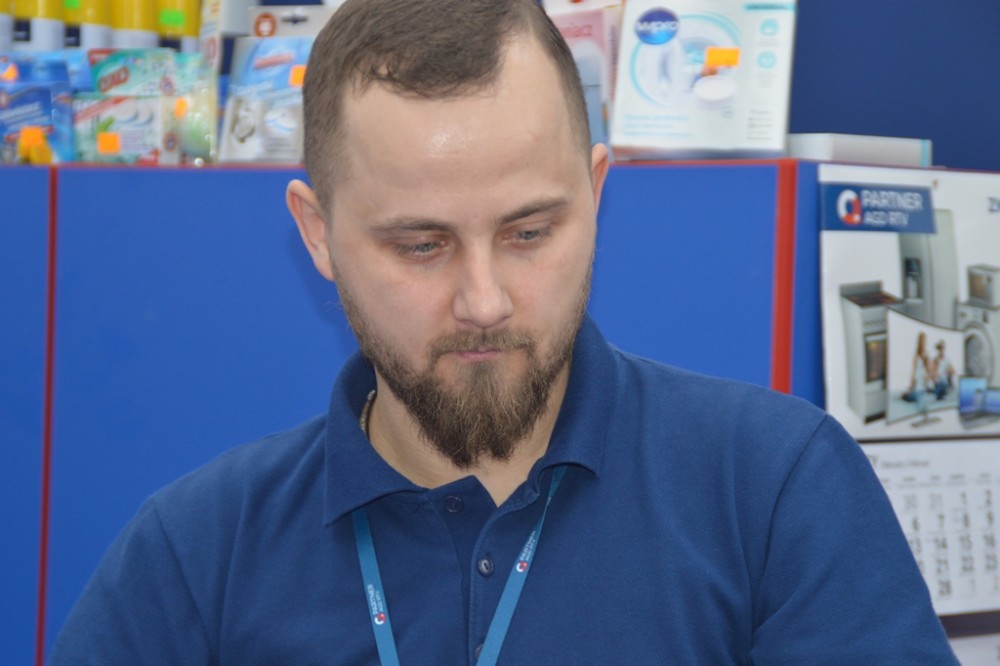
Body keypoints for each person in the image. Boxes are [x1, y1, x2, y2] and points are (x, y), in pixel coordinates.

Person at [50, 0, 958, 663]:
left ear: (595, 195)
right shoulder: (196, 555)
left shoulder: (773, 491)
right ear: (317, 234)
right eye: (421, 245)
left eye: (529, 233)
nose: (484, 301)